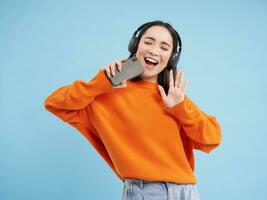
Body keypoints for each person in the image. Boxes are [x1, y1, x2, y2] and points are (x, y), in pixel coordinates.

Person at [44, 20, 222, 200]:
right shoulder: (106, 95)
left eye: (164, 47)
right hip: (146, 192)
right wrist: (99, 84)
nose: (154, 51)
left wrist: (180, 108)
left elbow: (212, 139)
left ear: (172, 57)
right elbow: (55, 103)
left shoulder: (173, 97)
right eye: (148, 42)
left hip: (187, 192)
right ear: (135, 45)